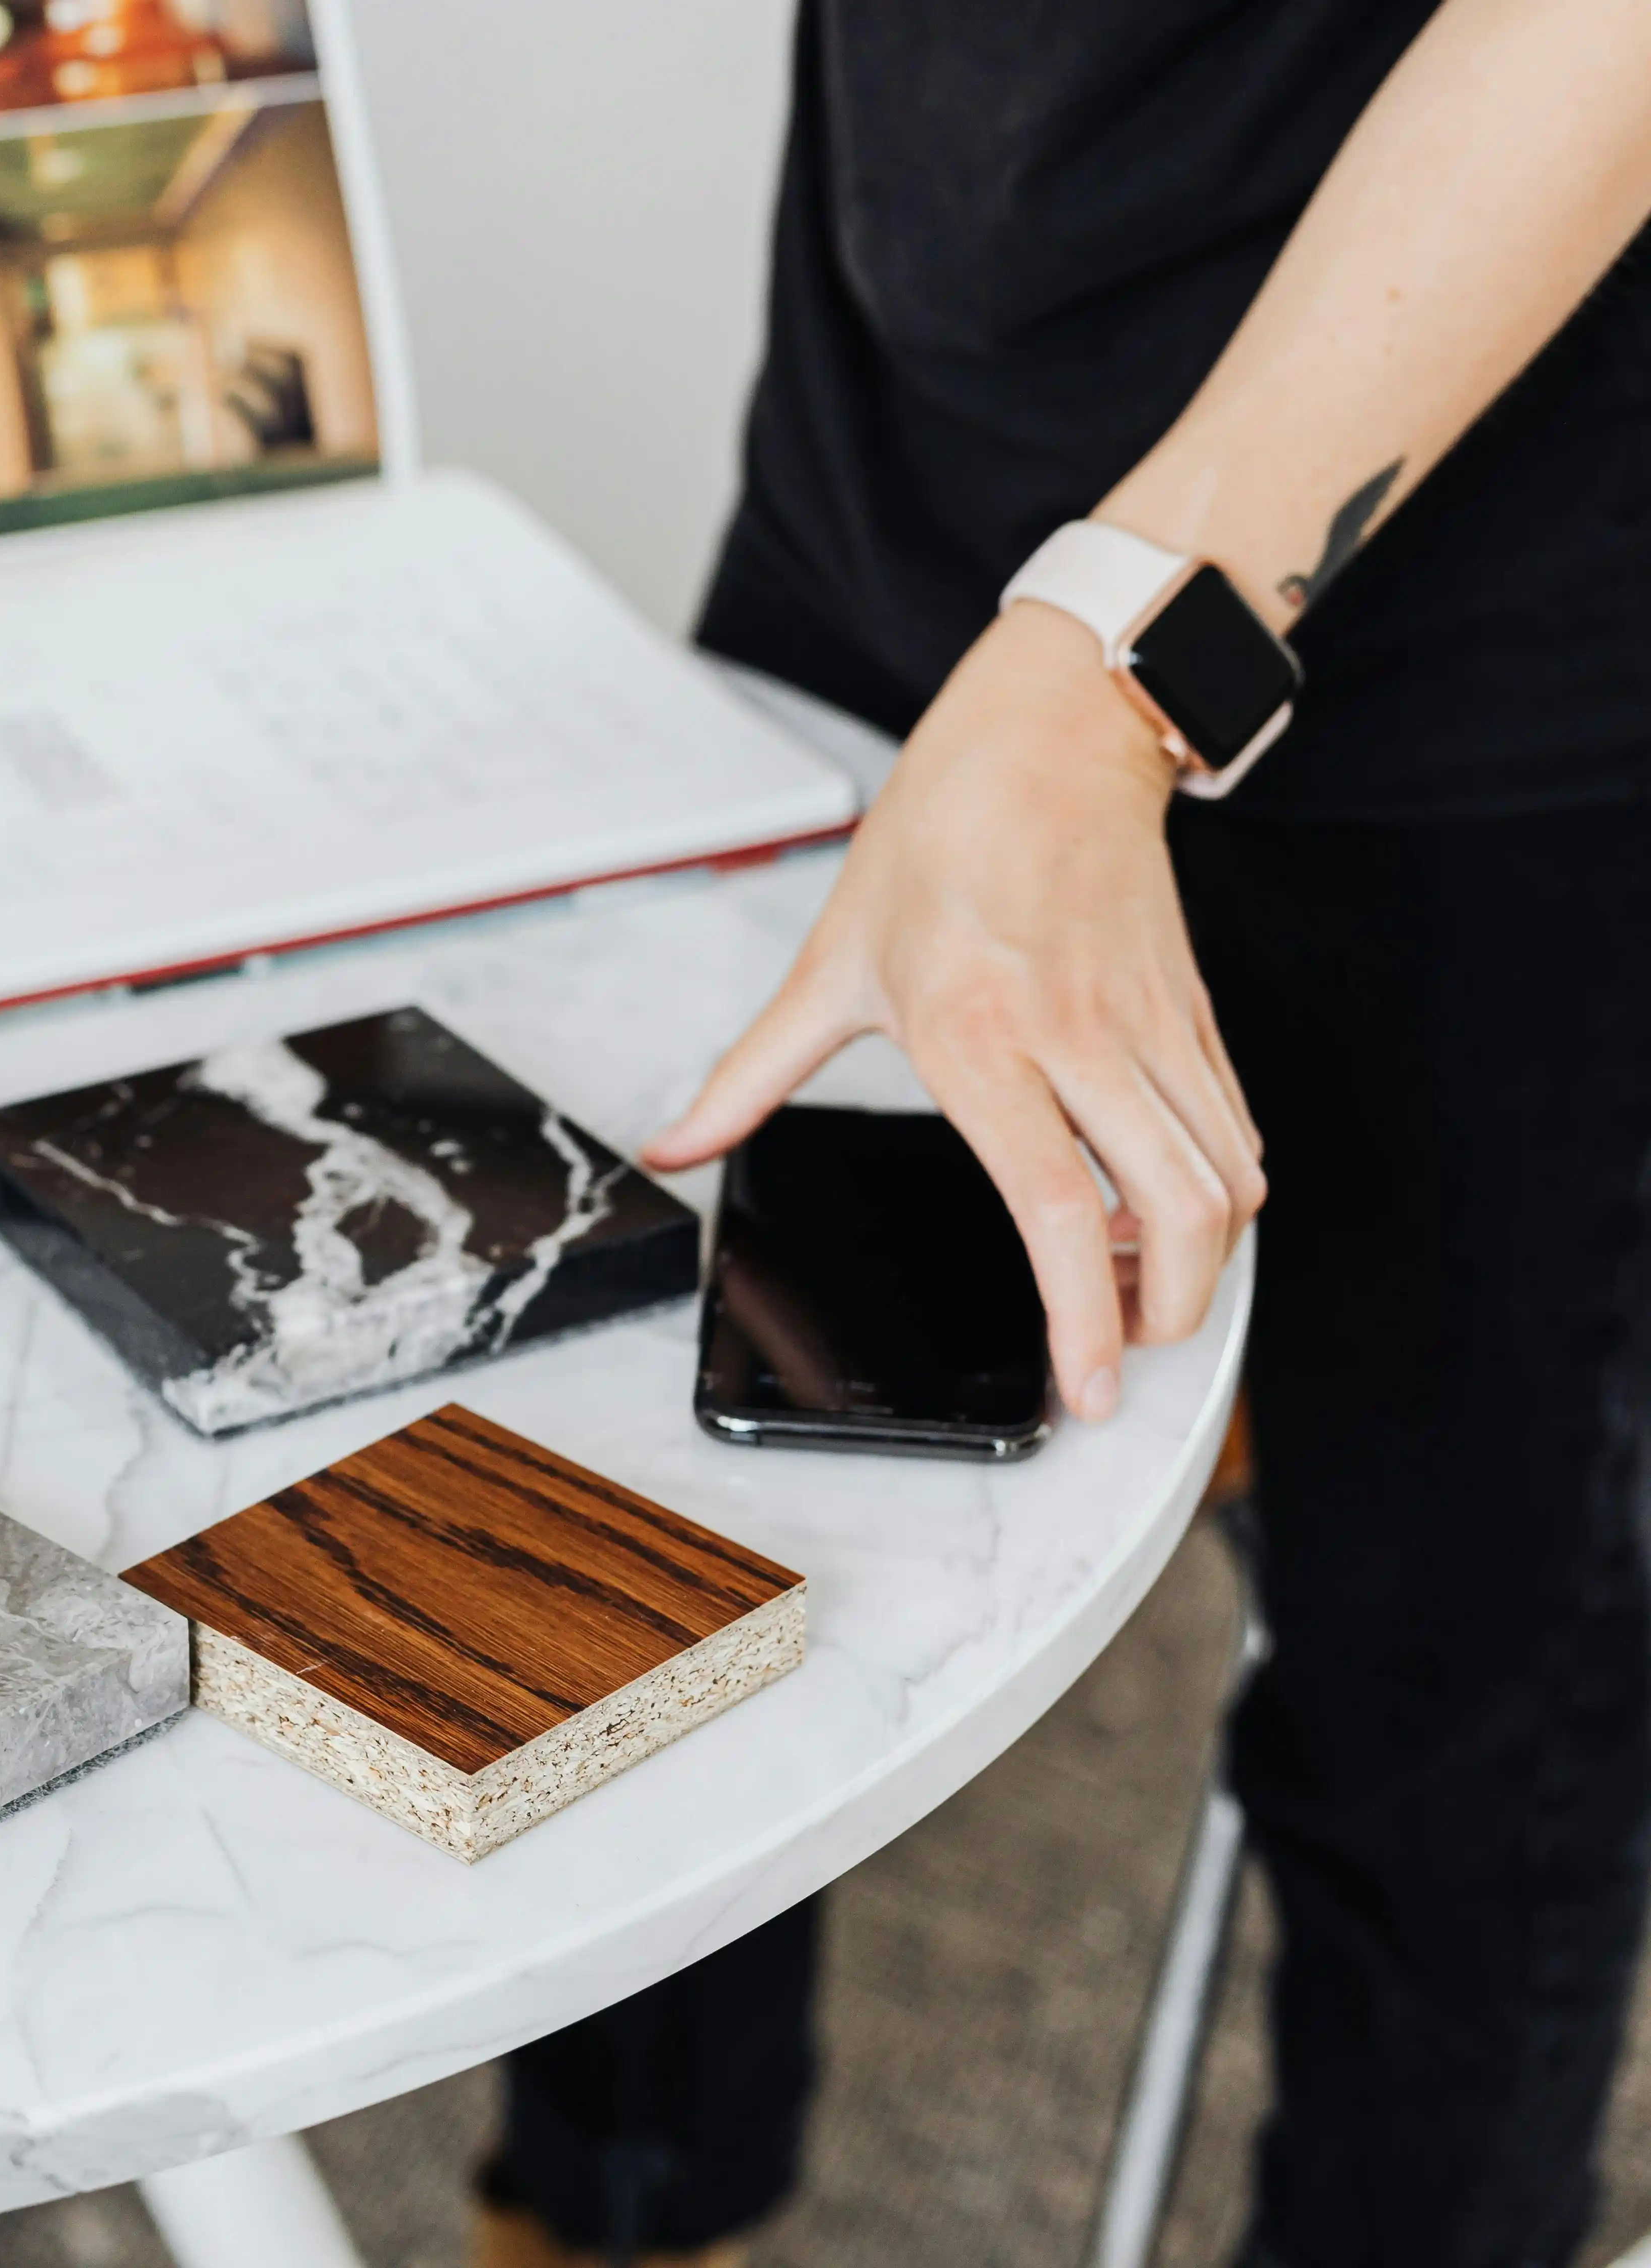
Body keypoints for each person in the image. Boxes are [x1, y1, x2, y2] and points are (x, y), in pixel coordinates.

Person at [472, 4, 1651, 2265]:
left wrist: (1120, 652)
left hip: (1482, 613)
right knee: (678, 1487)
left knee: (1445, 1687)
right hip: (894, 462)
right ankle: (617, 2207)